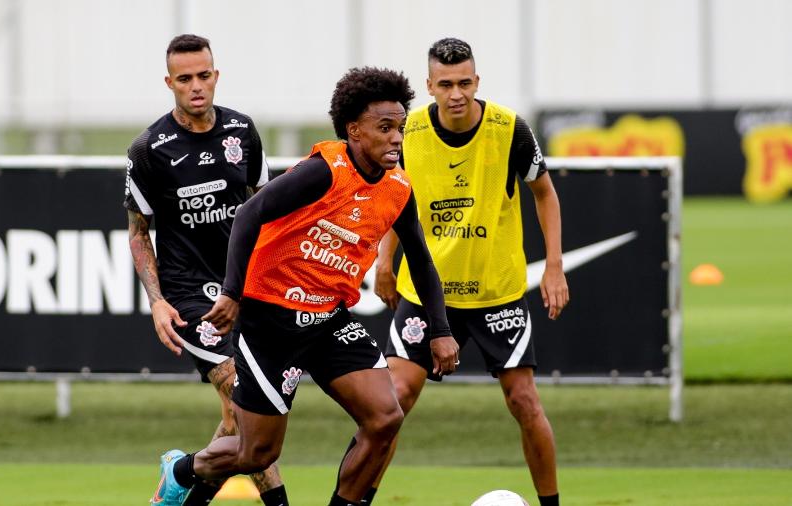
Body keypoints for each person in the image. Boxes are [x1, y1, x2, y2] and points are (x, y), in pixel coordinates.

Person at [152, 66, 460, 506]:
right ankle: (182, 469)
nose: (396, 138)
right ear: (354, 130)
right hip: (270, 321)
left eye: (401, 128)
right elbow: (247, 215)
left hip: (327, 319)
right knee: (257, 452)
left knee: (385, 417)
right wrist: (233, 293)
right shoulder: (324, 170)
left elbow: (422, 259)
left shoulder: (398, 187)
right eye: (385, 128)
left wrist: (441, 330)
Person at [369, 38, 569, 506]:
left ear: (476, 82)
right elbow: (394, 201)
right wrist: (383, 259)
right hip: (426, 293)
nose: (456, 93)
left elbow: (545, 193)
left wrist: (554, 267)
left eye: (464, 83)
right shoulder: (408, 132)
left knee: (523, 401)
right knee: (392, 401)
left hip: (495, 292)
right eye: (445, 84)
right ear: (429, 86)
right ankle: (358, 498)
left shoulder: (510, 129)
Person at [123, 34, 288, 506]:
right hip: (192, 297)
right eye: (185, 78)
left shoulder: (242, 131)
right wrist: (157, 303)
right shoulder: (150, 148)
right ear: (169, 82)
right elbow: (139, 232)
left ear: (216, 74)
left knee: (241, 420)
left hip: (245, 291)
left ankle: (179, 480)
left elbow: (263, 207)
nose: (196, 86)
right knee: (245, 395)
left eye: (204, 75)